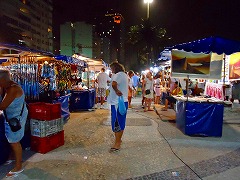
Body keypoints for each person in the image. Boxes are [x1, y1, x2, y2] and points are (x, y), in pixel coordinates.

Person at [0, 69, 28, 178]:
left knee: (14, 141)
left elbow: (2, 106)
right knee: (11, 138)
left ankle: (18, 166)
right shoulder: (6, 86)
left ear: (2, 79)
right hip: (11, 116)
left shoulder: (12, 89)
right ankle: (12, 157)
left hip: (17, 117)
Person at [107, 62, 128, 152]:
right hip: (122, 102)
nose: (111, 70)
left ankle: (117, 143)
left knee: (117, 122)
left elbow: (114, 84)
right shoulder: (124, 75)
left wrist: (116, 91)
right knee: (120, 121)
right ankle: (118, 140)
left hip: (117, 103)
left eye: (112, 68)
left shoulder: (118, 75)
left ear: (115, 68)